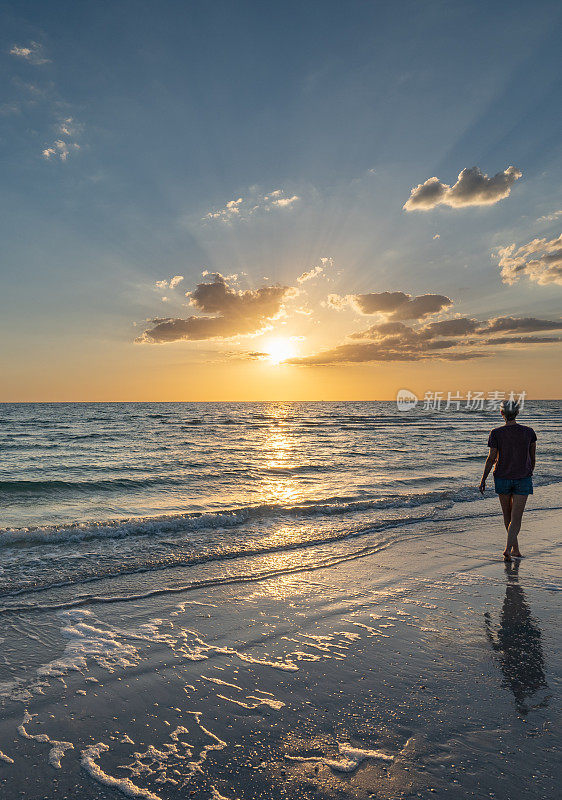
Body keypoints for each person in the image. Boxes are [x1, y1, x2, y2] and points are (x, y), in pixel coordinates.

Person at [479, 400, 536, 561]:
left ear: (501, 413)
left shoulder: (496, 433)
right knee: (516, 518)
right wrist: (528, 471)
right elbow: (532, 458)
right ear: (517, 413)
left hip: (502, 477)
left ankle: (511, 549)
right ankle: (512, 549)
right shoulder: (529, 432)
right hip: (522, 477)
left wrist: (483, 479)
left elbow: (491, 459)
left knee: (507, 515)